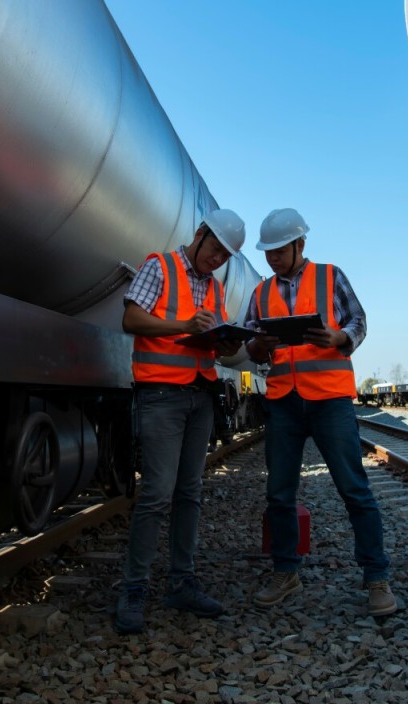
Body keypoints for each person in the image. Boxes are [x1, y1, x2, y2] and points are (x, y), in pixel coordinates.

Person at [244, 208, 397, 616]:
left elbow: (359, 321)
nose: (273, 258)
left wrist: (338, 336)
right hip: (282, 402)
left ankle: (376, 577)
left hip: (329, 399)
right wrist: (260, 344)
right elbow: (251, 347)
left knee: (354, 489)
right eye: (268, 252)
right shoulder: (261, 293)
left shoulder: (331, 276)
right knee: (279, 493)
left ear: (300, 245)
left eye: (279, 250)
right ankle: (285, 571)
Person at [114, 208, 246, 634]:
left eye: (226, 257)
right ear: (201, 233)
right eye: (216, 249)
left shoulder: (214, 289)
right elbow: (131, 318)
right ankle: (134, 589)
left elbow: (213, 346)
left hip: (200, 395)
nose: (217, 260)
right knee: (157, 492)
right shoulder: (160, 266)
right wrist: (183, 326)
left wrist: (225, 343)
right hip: (161, 395)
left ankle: (182, 582)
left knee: (190, 492)